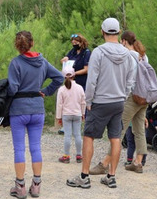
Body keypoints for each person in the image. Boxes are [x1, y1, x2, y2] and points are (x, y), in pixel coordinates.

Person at [66, 18, 136, 189]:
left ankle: (84, 176)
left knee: (89, 136)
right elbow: (130, 81)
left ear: (102, 32)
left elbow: (91, 81)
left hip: (100, 101)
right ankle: (111, 176)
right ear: (119, 32)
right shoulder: (128, 55)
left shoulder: (98, 52)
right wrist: (123, 96)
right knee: (115, 138)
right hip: (119, 101)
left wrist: (88, 100)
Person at [7, 31, 63, 199]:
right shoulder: (42, 62)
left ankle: (20, 186)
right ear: (32, 43)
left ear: (17, 45)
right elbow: (59, 78)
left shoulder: (15, 63)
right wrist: (45, 91)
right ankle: (36, 185)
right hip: (37, 109)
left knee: (19, 148)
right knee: (35, 147)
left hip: (18, 109)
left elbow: (13, 89)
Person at [93, 31, 148, 173]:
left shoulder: (127, 55)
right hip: (144, 97)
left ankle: (105, 164)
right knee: (139, 130)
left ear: (124, 41)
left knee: (119, 130)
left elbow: (126, 77)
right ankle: (138, 162)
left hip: (132, 97)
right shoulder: (143, 56)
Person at [58, 33, 90, 134]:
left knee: (81, 103)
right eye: (72, 42)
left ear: (81, 42)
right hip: (70, 81)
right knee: (68, 102)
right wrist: (64, 60)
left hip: (82, 81)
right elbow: (65, 60)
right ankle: (66, 125)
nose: (74, 43)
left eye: (76, 42)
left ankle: (82, 125)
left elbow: (87, 69)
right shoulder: (72, 52)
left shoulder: (86, 53)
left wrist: (74, 73)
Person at [55, 66, 86, 164]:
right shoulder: (80, 88)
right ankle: (79, 155)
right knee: (77, 135)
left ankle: (66, 156)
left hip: (66, 114)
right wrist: (83, 113)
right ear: (74, 75)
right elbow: (83, 102)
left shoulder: (62, 89)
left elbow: (59, 104)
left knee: (67, 135)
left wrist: (58, 117)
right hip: (77, 114)